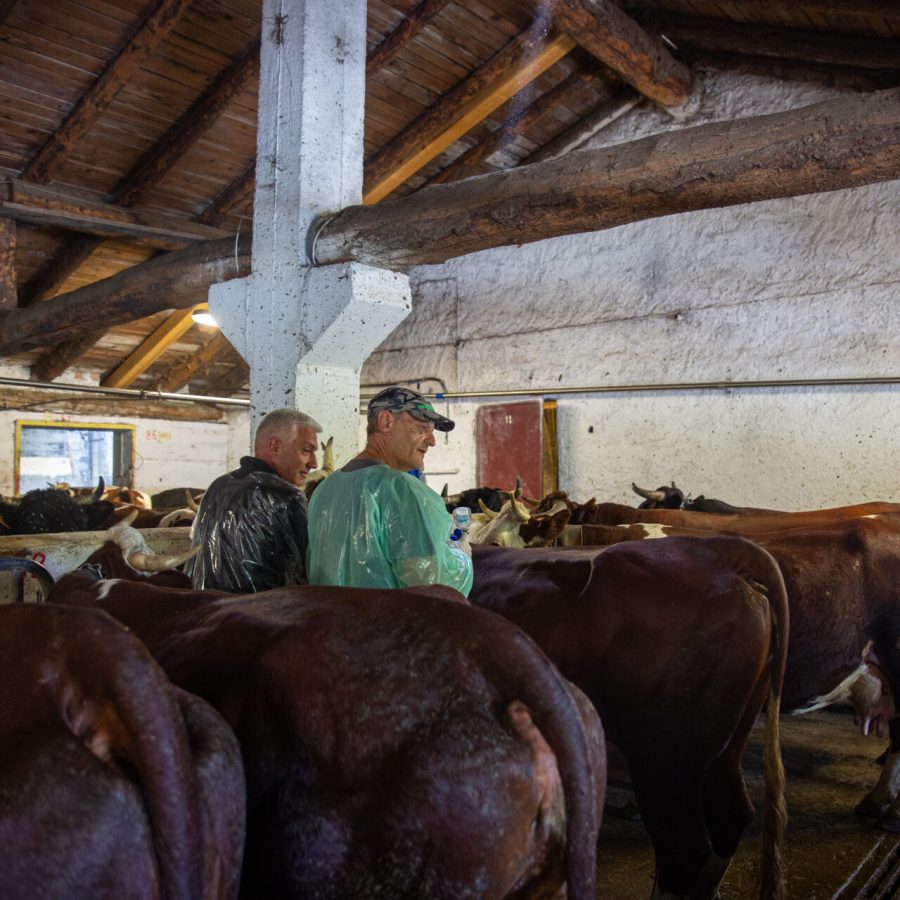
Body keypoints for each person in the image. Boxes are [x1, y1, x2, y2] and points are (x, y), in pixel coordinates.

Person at [306, 386, 473, 597]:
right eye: (422, 428)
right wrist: (461, 552)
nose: (432, 440)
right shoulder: (402, 489)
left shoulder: (324, 489)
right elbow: (434, 586)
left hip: (329, 626)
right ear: (386, 422)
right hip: (384, 628)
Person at [189, 408, 322, 592]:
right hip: (261, 615)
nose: (314, 463)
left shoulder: (217, 487)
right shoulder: (286, 496)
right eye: (307, 451)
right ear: (275, 447)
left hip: (209, 612)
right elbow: (311, 571)